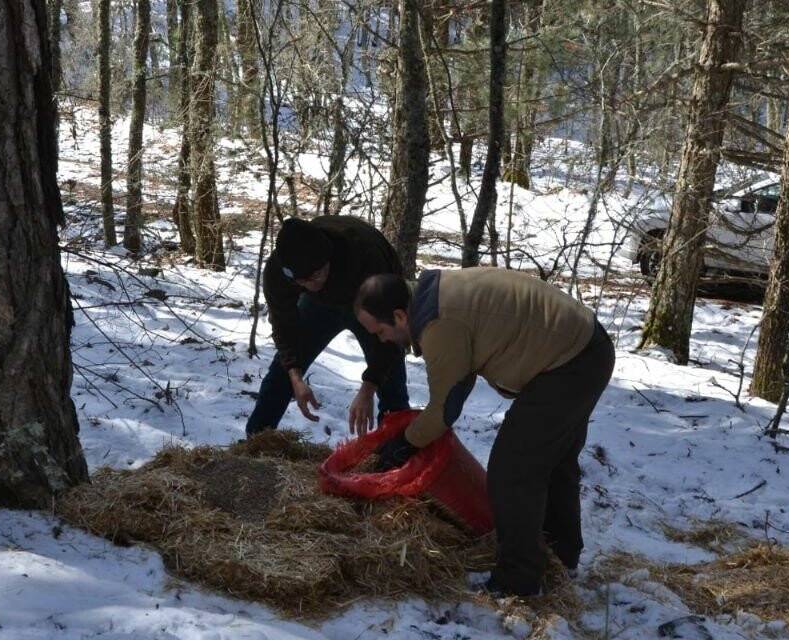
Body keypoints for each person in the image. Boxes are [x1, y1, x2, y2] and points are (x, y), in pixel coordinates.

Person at [353, 267, 615, 598]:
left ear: (400, 315)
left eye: (380, 332)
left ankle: (517, 581)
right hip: (585, 347)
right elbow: (457, 382)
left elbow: (444, 410)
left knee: (511, 471)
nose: (382, 340)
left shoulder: (438, 324)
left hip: (570, 363)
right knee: (552, 461)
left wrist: (403, 443)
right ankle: (561, 557)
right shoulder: (431, 298)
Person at [245, 216, 410, 437]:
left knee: (390, 382)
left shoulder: (366, 257)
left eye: (316, 276)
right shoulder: (280, 273)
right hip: (319, 306)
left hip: (369, 299)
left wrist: (368, 387)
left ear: (327, 259)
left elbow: (393, 332)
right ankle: (255, 443)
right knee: (282, 373)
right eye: (302, 282)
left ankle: (396, 451)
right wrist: (295, 376)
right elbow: (284, 328)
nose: (312, 285)